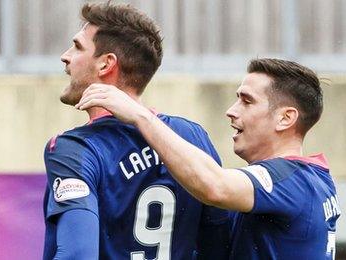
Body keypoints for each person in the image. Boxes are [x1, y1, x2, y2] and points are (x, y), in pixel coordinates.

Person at [77, 58, 342, 259]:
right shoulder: (313, 180)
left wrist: (140, 116)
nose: (231, 111)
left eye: (247, 101)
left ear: (286, 118)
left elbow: (213, 186)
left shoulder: (291, 180)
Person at [42, 2, 230, 259]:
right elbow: (220, 243)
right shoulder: (192, 136)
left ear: (106, 64)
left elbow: (77, 254)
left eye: (77, 47)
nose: (65, 56)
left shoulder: (74, 149)